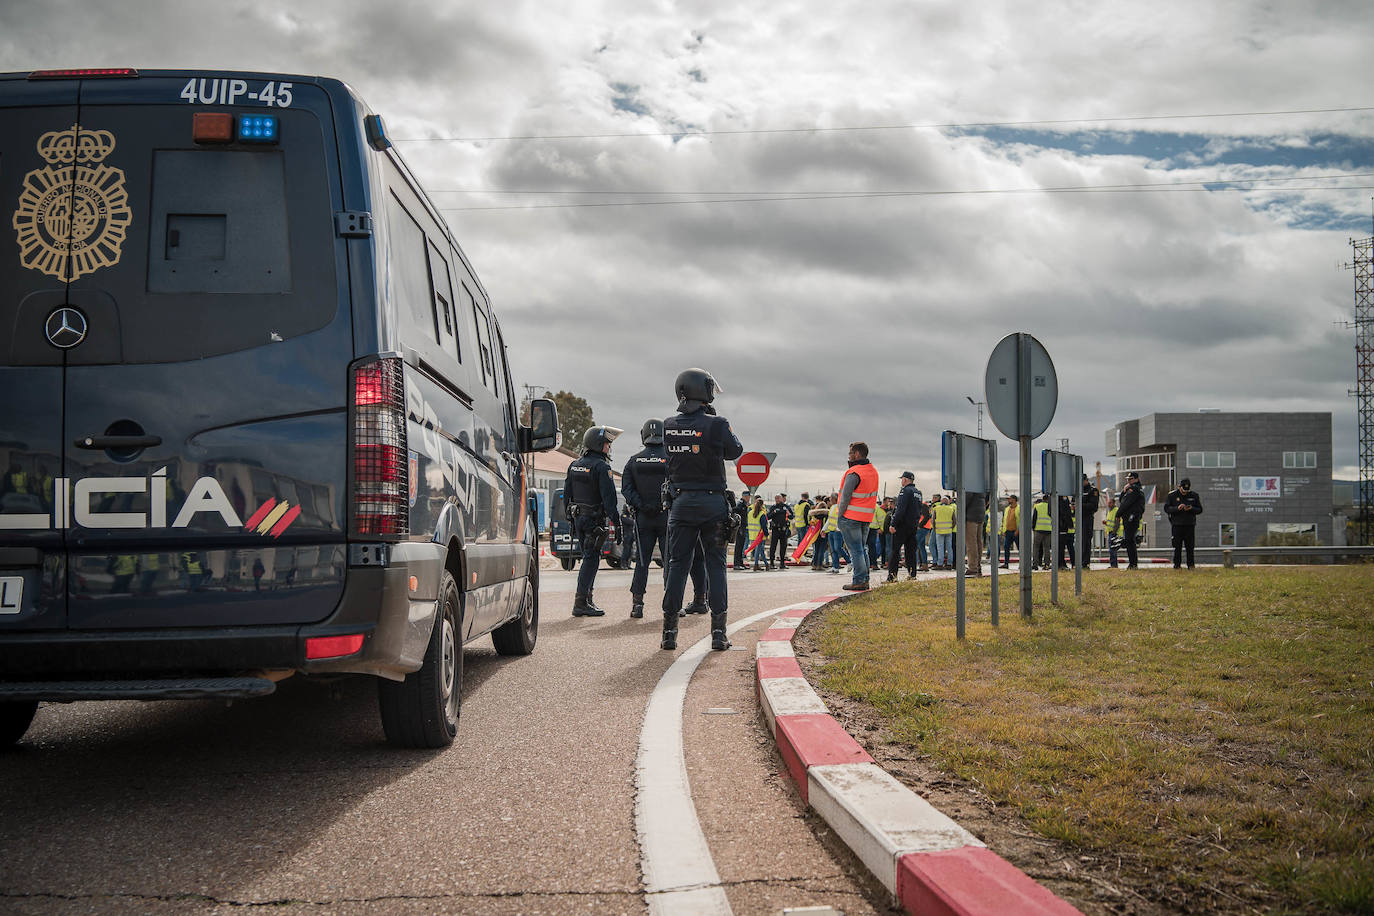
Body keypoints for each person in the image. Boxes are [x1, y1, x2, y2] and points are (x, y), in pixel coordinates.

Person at [660, 368, 743, 651]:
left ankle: (669, 633)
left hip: (681, 504)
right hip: (713, 504)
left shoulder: (668, 424)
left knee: (677, 566)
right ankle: (718, 634)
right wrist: (714, 423)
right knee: (716, 566)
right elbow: (735, 451)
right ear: (703, 392)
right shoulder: (717, 423)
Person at [565, 425, 623, 616]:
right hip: (593, 521)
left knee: (589, 557)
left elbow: (567, 495)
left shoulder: (574, 465)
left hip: (578, 519)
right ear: (598, 445)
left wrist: (571, 519)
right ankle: (581, 602)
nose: (609, 448)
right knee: (591, 559)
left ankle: (587, 599)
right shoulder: (602, 467)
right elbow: (609, 500)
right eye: (607, 444)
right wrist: (617, 522)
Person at [622, 418, 670, 619]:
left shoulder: (633, 461)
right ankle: (672, 605)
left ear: (643, 435)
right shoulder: (671, 459)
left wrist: (642, 505)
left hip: (643, 518)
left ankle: (637, 605)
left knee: (642, 562)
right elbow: (678, 485)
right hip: (666, 517)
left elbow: (627, 489)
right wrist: (663, 504)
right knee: (670, 562)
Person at [834, 442, 878, 591]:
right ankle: (864, 579)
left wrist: (840, 516)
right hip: (866, 517)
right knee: (862, 549)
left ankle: (858, 580)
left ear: (857, 454)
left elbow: (845, 497)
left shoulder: (854, 472)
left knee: (856, 550)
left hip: (850, 517)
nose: (849, 456)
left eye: (850, 453)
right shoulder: (872, 471)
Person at [886, 471, 921, 582]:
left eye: (902, 479)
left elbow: (900, 510)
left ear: (905, 480)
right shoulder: (918, 492)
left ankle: (892, 577)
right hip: (913, 526)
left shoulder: (905, 491)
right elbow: (918, 510)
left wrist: (893, 524)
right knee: (910, 552)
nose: (901, 481)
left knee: (895, 551)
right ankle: (912, 575)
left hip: (902, 526)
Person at [1165, 477, 1203, 569]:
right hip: (1177, 525)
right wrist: (1177, 508)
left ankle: (1191, 565)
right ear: (1179, 487)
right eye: (1183, 489)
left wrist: (1191, 508)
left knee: (1190, 547)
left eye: (1187, 490)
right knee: (1177, 547)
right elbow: (1167, 509)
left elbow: (1199, 509)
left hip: (1189, 525)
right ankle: (1177, 565)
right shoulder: (1172, 495)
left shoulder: (1194, 495)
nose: (1185, 492)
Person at [1117, 472, 1146, 569]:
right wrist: (1124, 491)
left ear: (1136, 479)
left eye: (1131, 479)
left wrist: (1118, 513)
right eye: (1128, 479)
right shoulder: (1134, 489)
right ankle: (1133, 563)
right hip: (1131, 517)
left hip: (1131, 517)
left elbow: (1125, 503)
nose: (1129, 481)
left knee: (1130, 541)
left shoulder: (1134, 489)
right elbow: (1122, 500)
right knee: (1130, 540)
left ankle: (1133, 564)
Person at [766, 493, 792, 569]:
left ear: (782, 499)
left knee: (783, 547)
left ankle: (782, 563)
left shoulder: (786, 507)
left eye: (778, 498)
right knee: (773, 546)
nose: (777, 500)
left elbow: (791, 516)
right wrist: (773, 513)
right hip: (775, 529)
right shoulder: (773, 507)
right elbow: (768, 516)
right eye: (776, 498)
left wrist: (788, 513)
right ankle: (771, 563)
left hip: (784, 530)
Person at [964, 490, 986, 576]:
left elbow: (966, 497)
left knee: (971, 543)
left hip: (971, 515)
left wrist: (961, 508)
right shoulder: (981, 484)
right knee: (978, 542)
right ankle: (978, 565)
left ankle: (972, 567)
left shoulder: (971, 483)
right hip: (980, 514)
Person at [931, 494, 956, 570]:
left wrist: (935, 528)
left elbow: (933, 520)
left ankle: (940, 564)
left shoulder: (936, 508)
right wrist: (951, 528)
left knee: (940, 548)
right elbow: (954, 521)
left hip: (939, 531)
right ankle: (949, 564)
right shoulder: (951, 509)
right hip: (949, 531)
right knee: (949, 548)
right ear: (948, 502)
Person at [1080, 474, 1100, 568]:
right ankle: (1079, 561)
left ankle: (1085, 562)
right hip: (1079, 518)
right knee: (1079, 541)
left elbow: (1093, 506)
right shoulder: (1078, 490)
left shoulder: (1092, 490)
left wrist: (1079, 505)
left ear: (1086, 480)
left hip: (1087, 518)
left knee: (1086, 541)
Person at [746, 495, 768, 570]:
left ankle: (766, 564)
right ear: (762, 505)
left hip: (752, 535)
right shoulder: (762, 514)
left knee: (760, 550)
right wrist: (767, 534)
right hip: (759, 535)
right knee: (758, 550)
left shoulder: (750, 512)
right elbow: (764, 526)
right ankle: (756, 564)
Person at [1031, 493, 1053, 570]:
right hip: (1048, 530)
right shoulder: (1052, 507)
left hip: (1038, 529)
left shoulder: (1037, 506)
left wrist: (1033, 528)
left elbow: (1034, 518)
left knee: (1036, 547)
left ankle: (1035, 564)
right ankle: (1047, 564)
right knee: (1046, 548)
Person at [999, 495, 1019, 569]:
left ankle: (1023, 564)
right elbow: (1005, 520)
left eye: (1010, 499)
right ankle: (1006, 563)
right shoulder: (1007, 509)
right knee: (1006, 547)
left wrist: (1018, 530)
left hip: (1016, 531)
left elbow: (1020, 520)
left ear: (1014, 500)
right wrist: (1004, 530)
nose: (1008, 500)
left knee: (1020, 548)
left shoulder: (1019, 508)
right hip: (1008, 532)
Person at [1103, 496, 1121, 568]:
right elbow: (1110, 522)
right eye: (1108, 503)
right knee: (1111, 550)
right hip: (1110, 532)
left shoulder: (1116, 510)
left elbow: (1117, 522)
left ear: (1114, 503)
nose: (1108, 504)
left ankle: (1114, 565)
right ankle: (1112, 564)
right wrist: (1106, 523)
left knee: (1113, 550)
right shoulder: (1110, 511)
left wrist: (1114, 532)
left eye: (1110, 503)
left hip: (1114, 533)